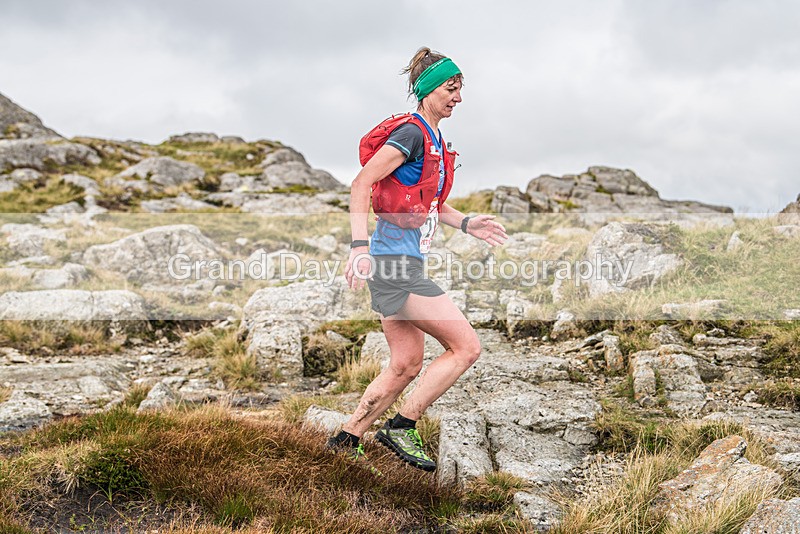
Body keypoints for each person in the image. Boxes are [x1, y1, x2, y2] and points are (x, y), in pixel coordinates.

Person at [327, 47, 508, 472]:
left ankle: (346, 438)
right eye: (451, 87)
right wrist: (358, 248)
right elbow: (361, 184)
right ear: (428, 89)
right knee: (466, 347)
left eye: (460, 89)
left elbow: (430, 204)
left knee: (406, 364)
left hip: (406, 264)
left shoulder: (435, 139)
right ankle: (402, 425)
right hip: (394, 266)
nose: (458, 97)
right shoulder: (410, 134)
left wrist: (467, 224)